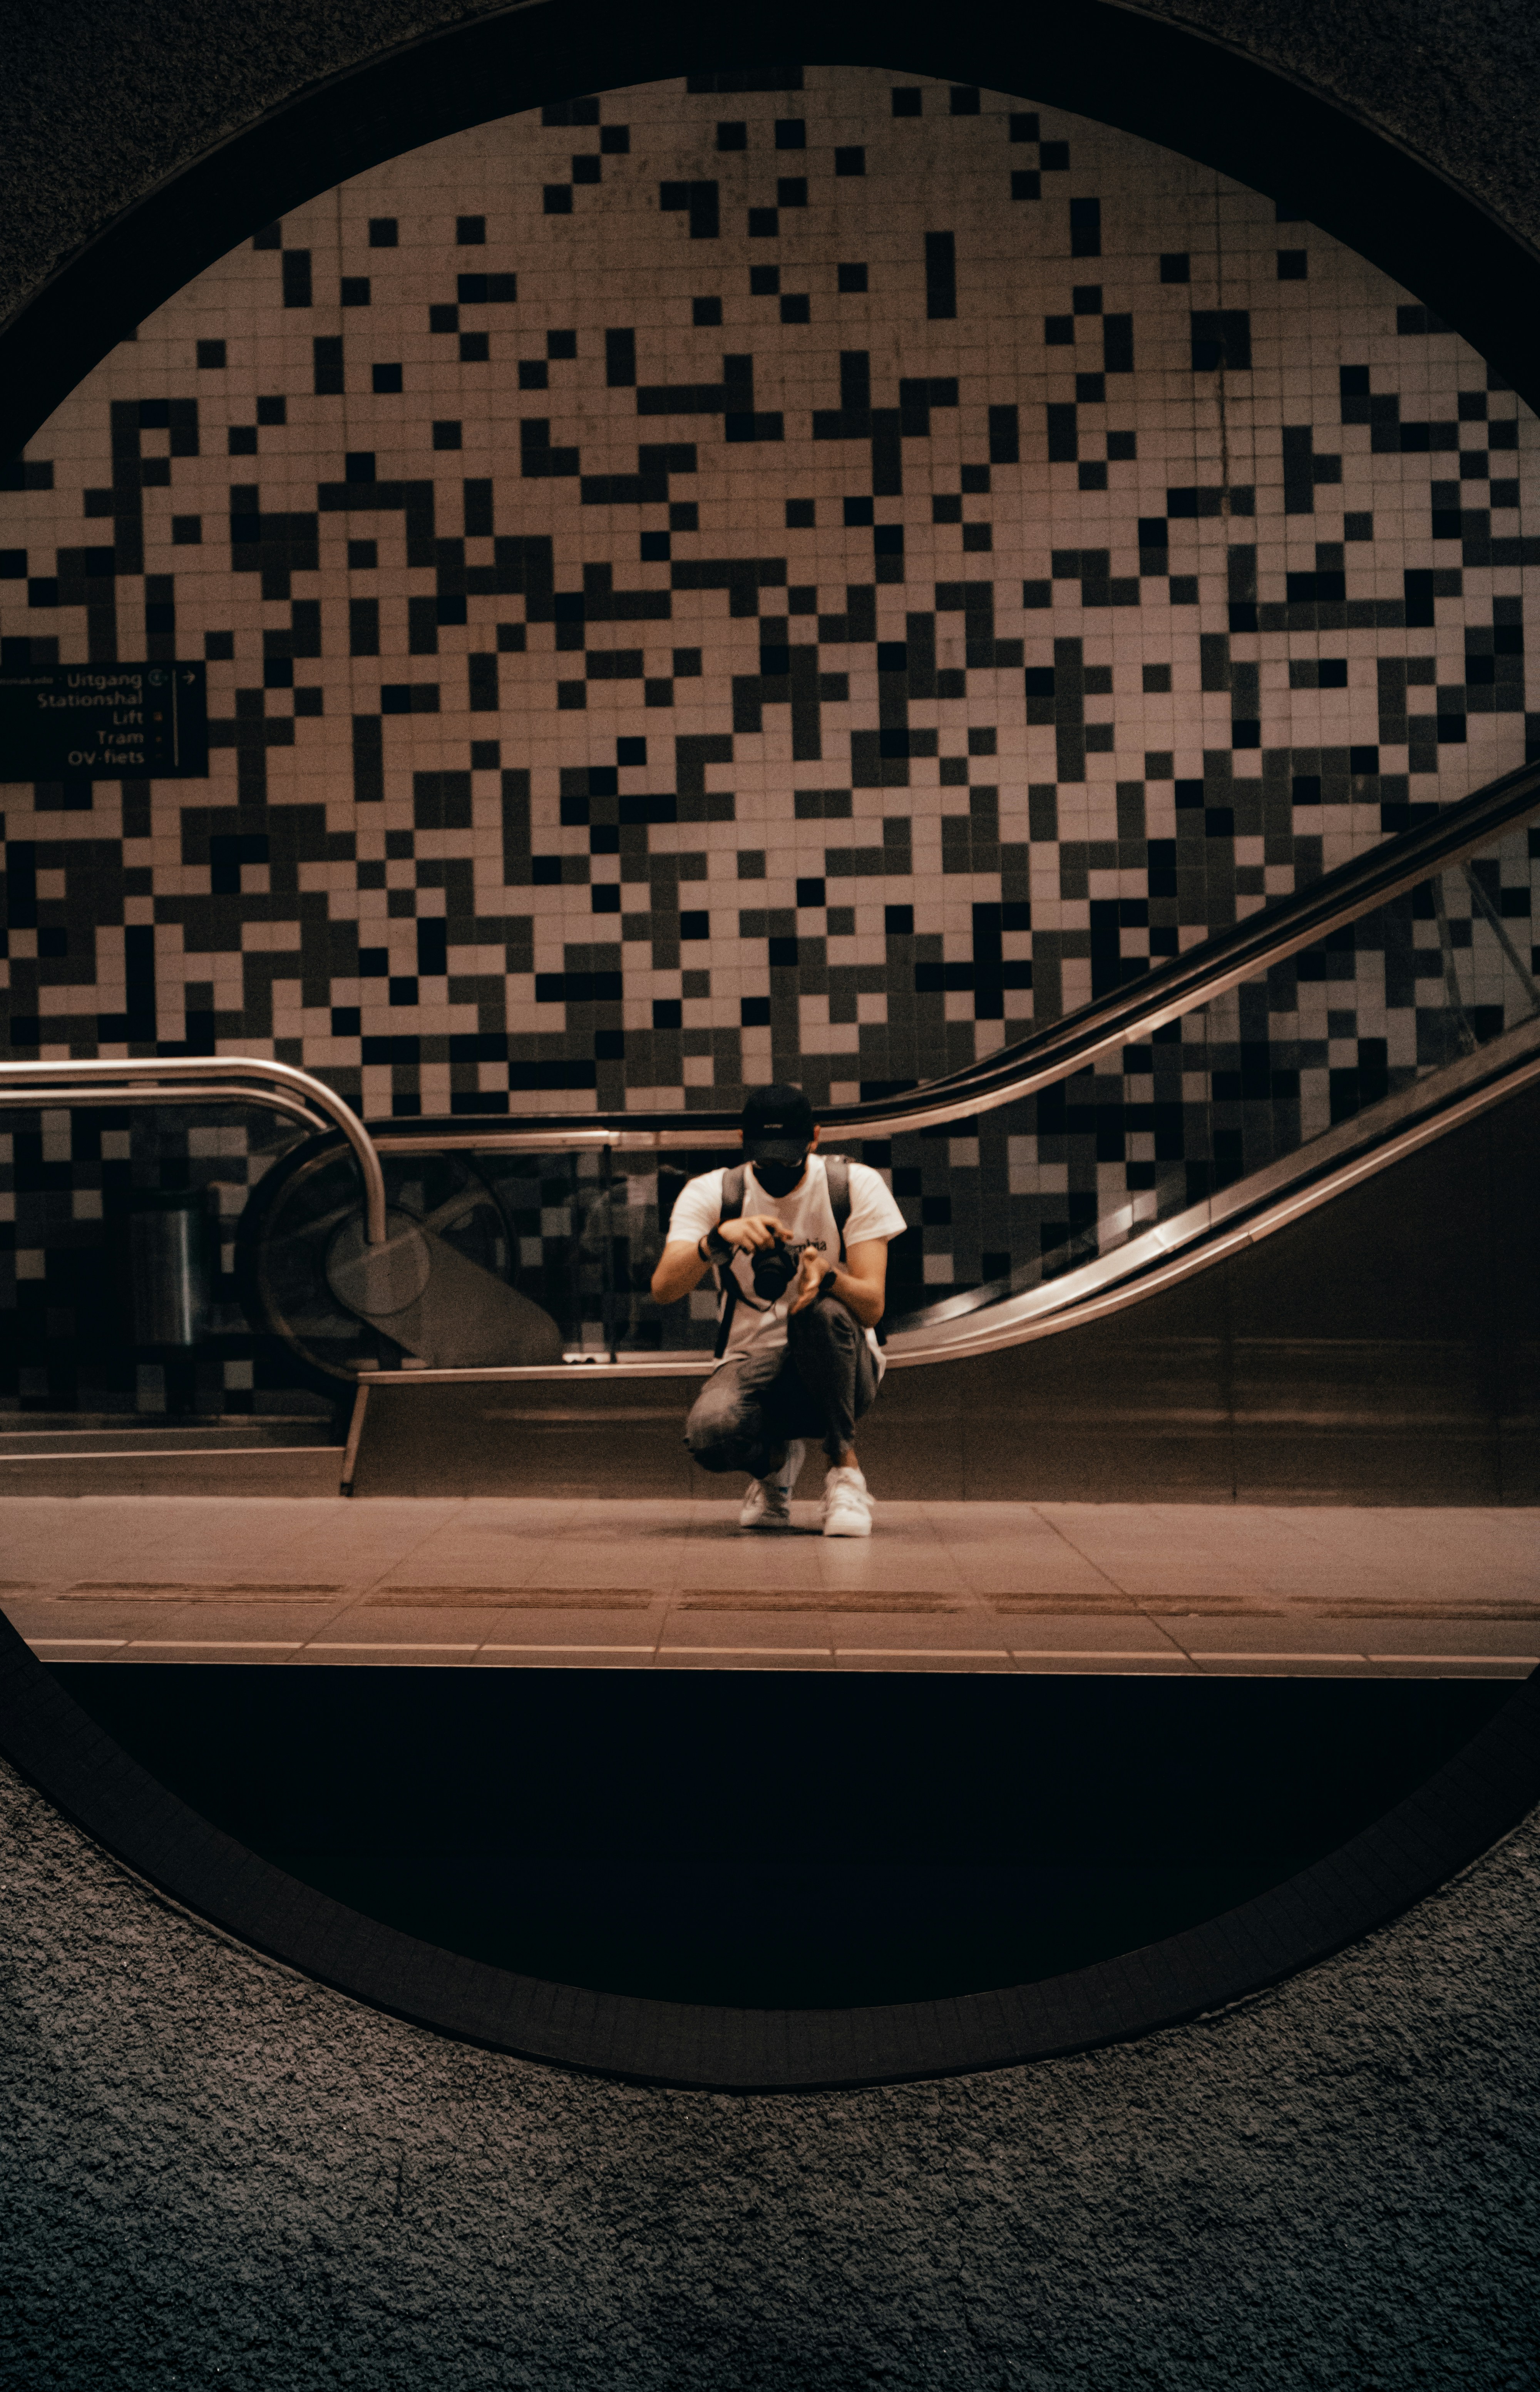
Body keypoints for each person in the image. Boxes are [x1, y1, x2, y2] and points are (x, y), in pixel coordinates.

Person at [651, 1083, 908, 1537]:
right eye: (763, 1157)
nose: (775, 1169)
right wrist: (716, 1241)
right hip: (751, 1360)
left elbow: (871, 1307)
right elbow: (664, 1289)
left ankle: (844, 1471)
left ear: (814, 1137)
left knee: (818, 1314)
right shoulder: (713, 1193)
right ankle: (774, 1467)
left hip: (844, 1367)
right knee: (710, 1437)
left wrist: (826, 1276)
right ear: (742, 1142)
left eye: (788, 1156)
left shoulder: (852, 1185)